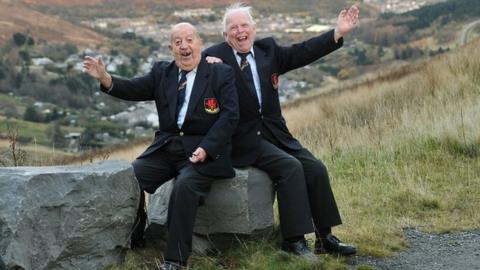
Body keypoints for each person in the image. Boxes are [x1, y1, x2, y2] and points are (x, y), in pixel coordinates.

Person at [204, 3, 359, 256]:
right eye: (233, 28)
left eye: (244, 25)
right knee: (290, 168)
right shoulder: (215, 56)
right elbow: (190, 71)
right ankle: (293, 240)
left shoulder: (268, 51)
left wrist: (337, 32)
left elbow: (303, 51)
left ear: (254, 29)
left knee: (315, 168)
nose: (240, 31)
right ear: (225, 35)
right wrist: (203, 65)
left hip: (276, 134)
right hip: (243, 140)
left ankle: (325, 237)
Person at [83, 22, 239, 270]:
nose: (184, 46)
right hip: (166, 148)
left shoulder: (221, 73)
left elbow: (230, 116)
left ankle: (175, 261)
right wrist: (105, 77)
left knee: (184, 188)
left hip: (204, 151)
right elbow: (134, 88)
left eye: (189, 40)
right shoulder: (162, 73)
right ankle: (136, 237)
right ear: (171, 48)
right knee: (128, 177)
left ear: (200, 44)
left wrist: (208, 147)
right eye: (178, 42)